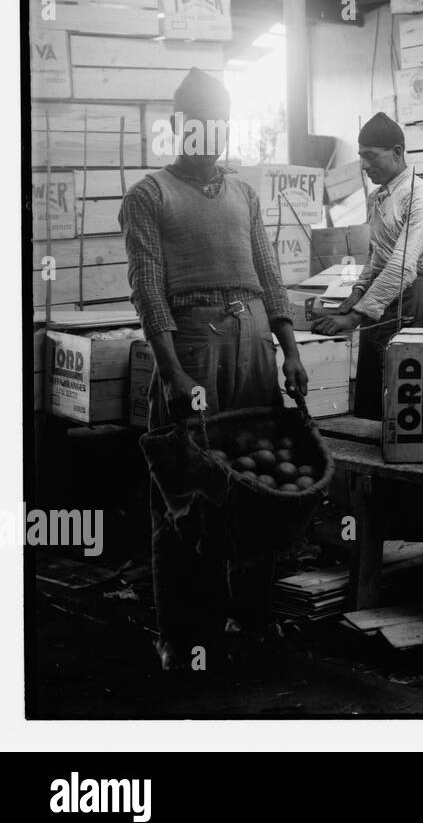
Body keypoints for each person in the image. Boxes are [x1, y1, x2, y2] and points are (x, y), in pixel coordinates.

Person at [120, 67, 309, 670]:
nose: (212, 136)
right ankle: (181, 634)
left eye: (221, 125)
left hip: (253, 342)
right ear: (178, 128)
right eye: (200, 125)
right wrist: (174, 374)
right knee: (186, 493)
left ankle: (245, 615)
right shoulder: (149, 196)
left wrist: (291, 348)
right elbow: (149, 292)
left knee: (255, 486)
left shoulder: (244, 194)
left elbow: (270, 277)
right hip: (194, 350)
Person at [312, 113, 423, 420]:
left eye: (371, 156)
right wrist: (356, 295)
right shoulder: (378, 197)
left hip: (415, 302)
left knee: (407, 406)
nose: (364, 165)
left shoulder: (420, 196)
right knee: (372, 396)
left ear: (398, 153)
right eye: (361, 157)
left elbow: (401, 266)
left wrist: (356, 317)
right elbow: (377, 256)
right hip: (382, 301)